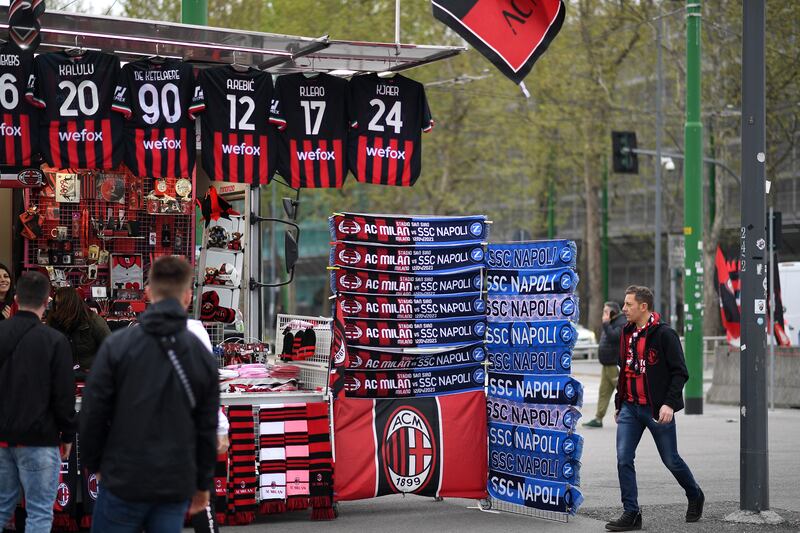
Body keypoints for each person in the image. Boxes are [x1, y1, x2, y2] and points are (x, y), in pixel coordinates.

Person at [80, 256, 220, 533]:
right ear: (188, 297)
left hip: (123, 477)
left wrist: (95, 463)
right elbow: (207, 427)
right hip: (173, 480)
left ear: (148, 292)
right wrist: (203, 483)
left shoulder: (118, 346)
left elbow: (93, 412)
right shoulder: (200, 354)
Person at [605, 285, 704, 532]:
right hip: (630, 407)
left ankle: (695, 495)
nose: (624, 309)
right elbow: (624, 371)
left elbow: (680, 372)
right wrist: (619, 403)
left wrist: (669, 403)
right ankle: (631, 513)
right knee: (623, 459)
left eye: (628, 305)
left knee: (671, 460)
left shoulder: (664, 334)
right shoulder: (626, 333)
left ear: (643, 307)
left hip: (656, 409)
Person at [0, 271, 76, 533]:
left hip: (1, 438)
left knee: (0, 509)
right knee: (39, 514)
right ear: (47, 300)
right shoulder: (55, 341)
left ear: (17, 298)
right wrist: (67, 435)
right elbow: (63, 395)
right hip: (39, 438)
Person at [47, 287, 112, 373]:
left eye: (60, 304)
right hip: (62, 374)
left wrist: (98, 369)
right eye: (55, 304)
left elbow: (111, 350)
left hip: (89, 375)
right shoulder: (53, 321)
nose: (57, 308)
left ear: (70, 304)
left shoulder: (94, 321)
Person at [584, 302, 626, 428]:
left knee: (624, 392)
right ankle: (598, 418)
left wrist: (606, 324)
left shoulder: (621, 322)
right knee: (603, 392)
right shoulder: (611, 323)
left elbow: (615, 337)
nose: (603, 314)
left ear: (612, 312)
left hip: (614, 364)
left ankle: (638, 416)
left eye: (606, 311)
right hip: (607, 364)